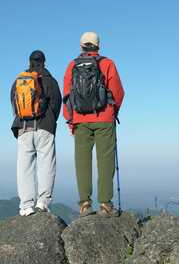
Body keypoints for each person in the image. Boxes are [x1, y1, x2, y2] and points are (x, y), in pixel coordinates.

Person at [63, 32, 125, 217]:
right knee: (105, 161)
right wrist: (113, 113)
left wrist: (70, 120)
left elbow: (67, 95)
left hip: (80, 120)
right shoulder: (107, 64)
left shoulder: (72, 65)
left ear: (81, 46)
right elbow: (118, 92)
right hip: (104, 118)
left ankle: (84, 204)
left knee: (82, 162)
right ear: (98, 46)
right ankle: (105, 204)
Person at [11, 50, 62, 216]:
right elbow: (56, 104)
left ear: (29, 62)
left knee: (24, 167)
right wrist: (50, 120)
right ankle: (43, 202)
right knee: (46, 164)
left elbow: (14, 102)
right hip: (45, 127)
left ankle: (26, 205)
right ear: (44, 62)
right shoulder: (50, 81)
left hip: (24, 127)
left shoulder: (19, 81)